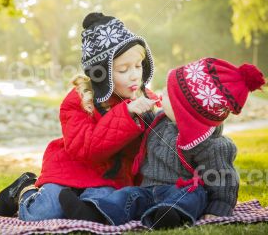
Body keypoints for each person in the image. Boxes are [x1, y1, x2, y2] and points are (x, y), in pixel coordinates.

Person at [58, 57, 266, 229]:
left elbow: (223, 177)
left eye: (168, 94)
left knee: (192, 195)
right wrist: (133, 110)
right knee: (126, 196)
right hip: (148, 190)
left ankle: (170, 215)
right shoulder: (159, 120)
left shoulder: (210, 144)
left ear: (184, 112)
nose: (160, 95)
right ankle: (94, 212)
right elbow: (132, 126)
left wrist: (218, 208)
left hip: (179, 189)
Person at [0, 12, 159, 221]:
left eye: (138, 66)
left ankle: (81, 207)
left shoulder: (146, 100)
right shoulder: (77, 101)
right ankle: (24, 190)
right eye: (124, 69)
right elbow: (89, 149)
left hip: (109, 177)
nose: (135, 75)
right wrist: (126, 113)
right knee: (42, 213)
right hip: (70, 169)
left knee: (100, 206)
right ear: (103, 74)